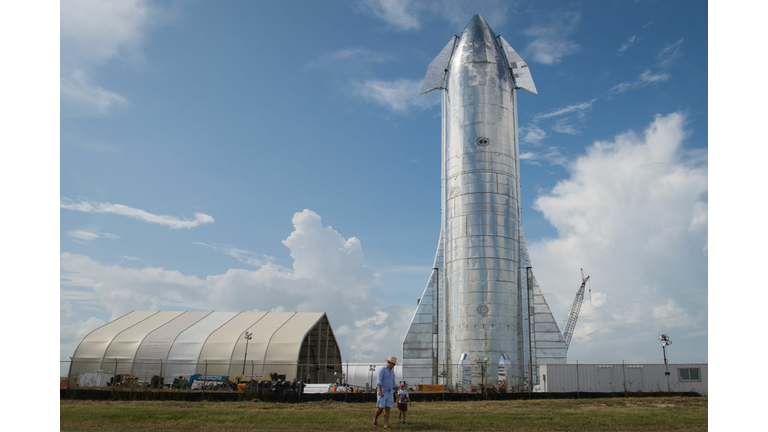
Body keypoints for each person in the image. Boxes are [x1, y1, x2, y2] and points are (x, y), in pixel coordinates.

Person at [373, 356, 397, 429]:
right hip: (383, 391)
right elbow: (379, 381)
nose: (393, 366)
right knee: (380, 407)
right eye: (393, 364)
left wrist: (396, 392)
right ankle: (375, 419)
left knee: (388, 408)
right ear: (389, 363)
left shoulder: (392, 372)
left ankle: (385, 424)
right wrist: (380, 391)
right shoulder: (382, 370)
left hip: (390, 392)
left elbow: (393, 383)